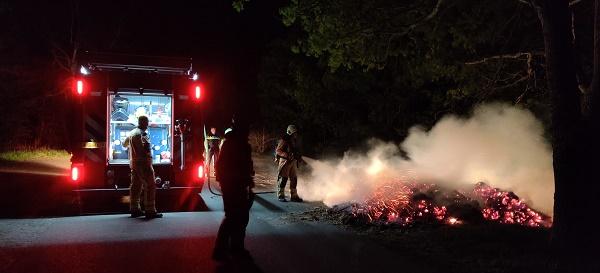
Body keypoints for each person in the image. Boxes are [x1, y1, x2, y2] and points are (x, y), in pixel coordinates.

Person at [213, 120, 255, 261]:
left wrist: (248, 182)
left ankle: (234, 248)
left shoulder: (232, 143)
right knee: (234, 217)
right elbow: (237, 167)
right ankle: (222, 250)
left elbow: (246, 167)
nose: (248, 132)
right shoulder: (237, 145)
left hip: (235, 185)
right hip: (234, 186)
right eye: (247, 129)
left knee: (239, 217)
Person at [123, 115, 163, 219]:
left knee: (135, 186)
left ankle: (134, 209)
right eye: (147, 122)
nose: (148, 124)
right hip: (144, 164)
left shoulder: (131, 133)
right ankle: (150, 210)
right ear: (144, 123)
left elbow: (124, 144)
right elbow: (146, 149)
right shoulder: (143, 134)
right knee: (150, 185)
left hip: (134, 164)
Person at [275, 124, 303, 202]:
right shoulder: (284, 139)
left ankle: (294, 196)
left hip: (293, 162)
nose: (296, 134)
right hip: (285, 162)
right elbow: (278, 151)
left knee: (294, 179)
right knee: (283, 179)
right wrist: (287, 155)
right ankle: (281, 195)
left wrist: (298, 157)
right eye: (294, 133)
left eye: (296, 133)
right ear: (290, 132)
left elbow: (295, 151)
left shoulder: (294, 140)